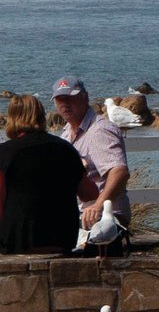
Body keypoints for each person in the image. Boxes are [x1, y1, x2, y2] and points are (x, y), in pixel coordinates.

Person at [0, 90, 87, 261]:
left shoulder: (6, 152)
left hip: (17, 240)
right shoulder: (67, 149)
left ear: (12, 118)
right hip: (62, 240)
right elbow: (89, 193)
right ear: (42, 117)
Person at [54, 75, 130, 249]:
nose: (65, 104)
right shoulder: (66, 133)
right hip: (80, 215)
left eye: (70, 98)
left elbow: (119, 172)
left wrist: (98, 205)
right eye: (60, 100)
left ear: (85, 97)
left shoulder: (99, 130)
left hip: (105, 217)